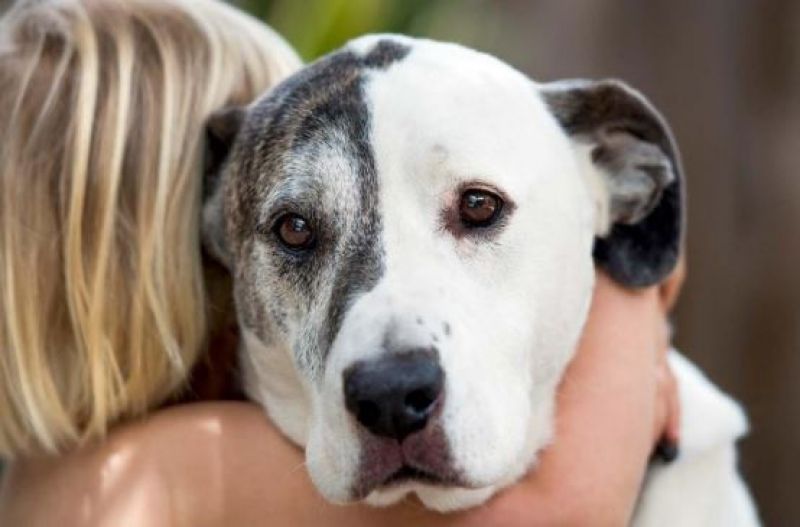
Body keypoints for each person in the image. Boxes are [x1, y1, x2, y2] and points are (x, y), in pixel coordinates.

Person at [0, 0, 681, 524]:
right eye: (297, 230)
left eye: (477, 210)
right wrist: (635, 317)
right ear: (206, 241)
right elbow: (560, 513)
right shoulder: (123, 477)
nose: (386, 372)